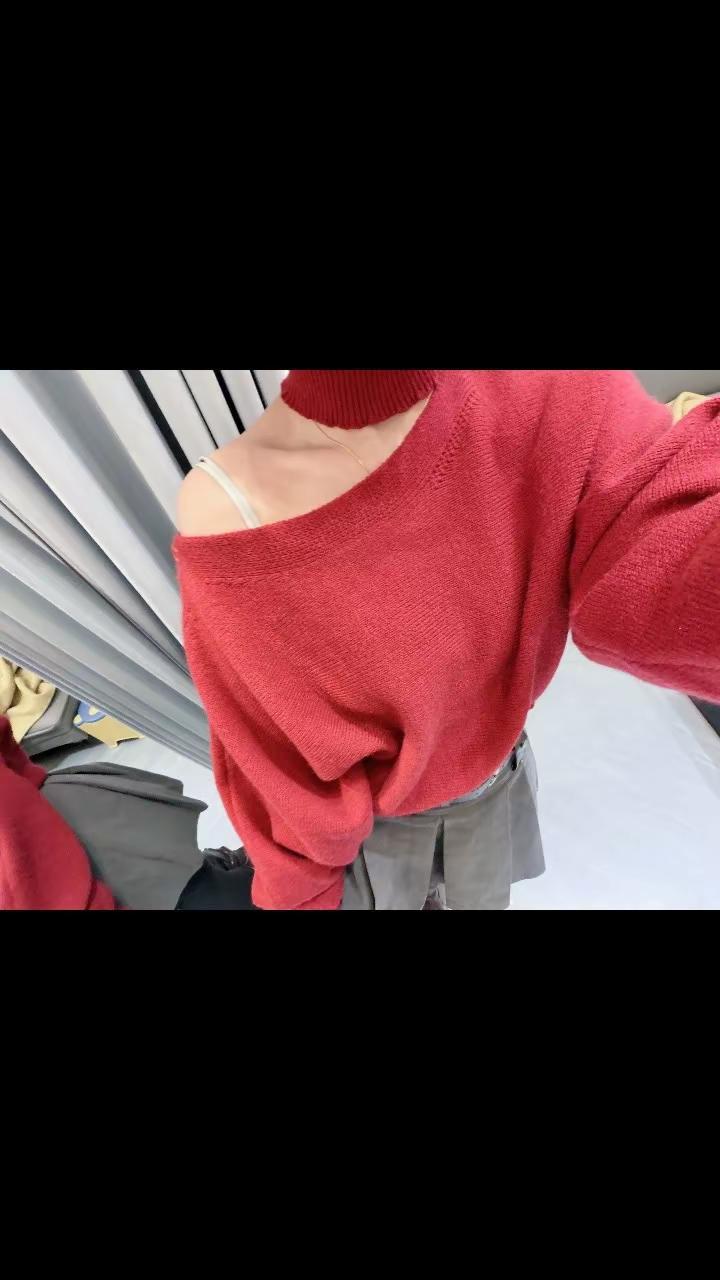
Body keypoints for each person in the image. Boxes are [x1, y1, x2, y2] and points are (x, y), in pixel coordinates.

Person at [174, 370, 720, 911]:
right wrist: (301, 897)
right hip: (386, 834)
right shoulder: (231, 509)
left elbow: (661, 562)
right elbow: (280, 768)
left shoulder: (553, 386)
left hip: (499, 777)